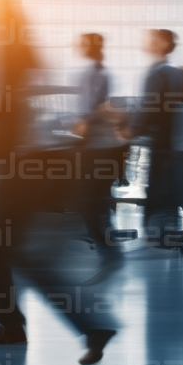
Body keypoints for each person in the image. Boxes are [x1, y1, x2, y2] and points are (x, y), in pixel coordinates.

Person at [0, 0, 117, 365]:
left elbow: (4, 114)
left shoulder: (7, 53)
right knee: (18, 252)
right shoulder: (25, 52)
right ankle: (89, 325)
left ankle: (15, 325)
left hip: (16, 166)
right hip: (37, 163)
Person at [73, 33, 123, 280]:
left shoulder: (91, 74)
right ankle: (110, 250)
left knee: (86, 201)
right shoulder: (100, 72)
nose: (75, 45)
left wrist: (77, 124)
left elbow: (86, 116)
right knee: (96, 200)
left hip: (96, 147)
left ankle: (110, 253)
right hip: (105, 146)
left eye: (80, 42)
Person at [134, 28, 183, 242]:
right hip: (175, 140)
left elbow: (148, 109)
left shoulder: (156, 73)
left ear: (163, 44)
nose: (147, 42)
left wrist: (131, 131)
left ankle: (155, 234)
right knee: (168, 189)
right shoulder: (176, 73)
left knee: (156, 187)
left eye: (152, 39)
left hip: (159, 140)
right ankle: (167, 232)